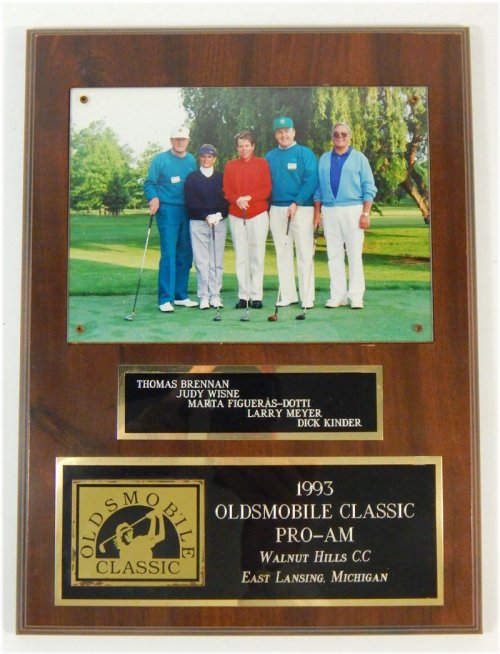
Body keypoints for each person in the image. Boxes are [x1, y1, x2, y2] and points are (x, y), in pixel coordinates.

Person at [314, 122, 377, 310]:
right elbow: (318, 188)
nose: (339, 136)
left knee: (354, 254)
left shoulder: (359, 158)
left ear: (350, 136)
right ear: (332, 136)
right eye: (336, 133)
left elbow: (369, 187)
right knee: (333, 254)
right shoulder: (324, 159)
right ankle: (337, 296)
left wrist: (366, 213)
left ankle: (356, 296)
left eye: (343, 133)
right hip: (330, 210)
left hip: (353, 209)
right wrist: (317, 213)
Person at [265, 116, 319, 309]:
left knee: (304, 253)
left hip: (301, 208)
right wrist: (268, 207)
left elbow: (311, 180)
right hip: (277, 209)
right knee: (283, 253)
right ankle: (288, 295)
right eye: (280, 132)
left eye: (287, 131)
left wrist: (297, 202)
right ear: (275, 135)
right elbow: (266, 184)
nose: (283, 135)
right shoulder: (270, 157)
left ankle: (307, 296)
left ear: (294, 132)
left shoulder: (304, 153)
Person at [143, 126, 198, 313]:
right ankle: (165, 298)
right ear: (171, 140)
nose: (180, 142)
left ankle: (180, 295)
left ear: (188, 141)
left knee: (185, 253)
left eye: (183, 139)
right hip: (167, 210)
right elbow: (150, 183)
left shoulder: (191, 160)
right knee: (169, 253)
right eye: (177, 139)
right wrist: (153, 197)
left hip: (188, 211)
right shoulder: (160, 159)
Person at [223, 130, 272, 309]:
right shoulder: (230, 165)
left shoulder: (262, 164)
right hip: (236, 214)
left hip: (257, 213)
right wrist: (237, 199)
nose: (244, 149)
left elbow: (266, 189)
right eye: (240, 146)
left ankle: (256, 295)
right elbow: (227, 190)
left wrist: (248, 198)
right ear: (237, 148)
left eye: (247, 146)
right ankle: (243, 296)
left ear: (253, 146)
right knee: (241, 256)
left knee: (257, 255)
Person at [184, 144, 229, 310]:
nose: (206, 159)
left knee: (216, 261)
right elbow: (191, 201)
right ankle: (203, 296)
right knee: (202, 261)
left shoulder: (221, 177)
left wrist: (219, 214)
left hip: (218, 222)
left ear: (214, 158)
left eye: (209, 156)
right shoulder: (192, 178)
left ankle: (215, 295)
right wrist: (205, 215)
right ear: (199, 158)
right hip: (198, 222)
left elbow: (226, 199)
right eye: (203, 156)